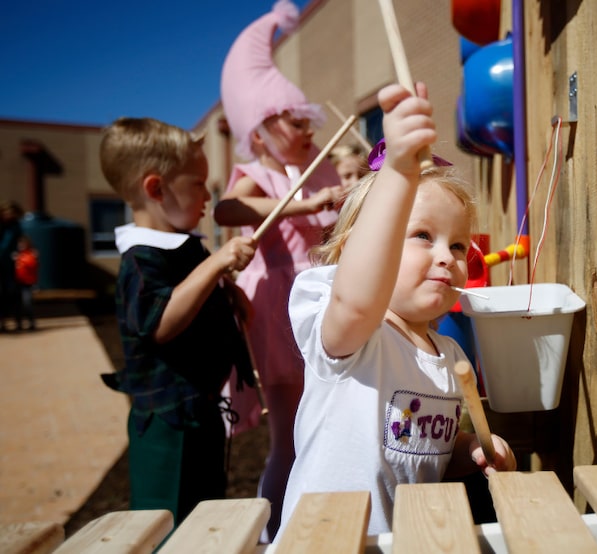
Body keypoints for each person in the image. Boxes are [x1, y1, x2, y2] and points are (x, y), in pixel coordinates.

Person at [274, 82, 516, 541]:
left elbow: (427, 449)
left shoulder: (445, 354)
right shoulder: (353, 335)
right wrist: (400, 173)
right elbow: (359, 297)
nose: (447, 256)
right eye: (423, 235)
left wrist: (474, 451)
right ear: (355, 251)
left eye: (458, 244)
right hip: (324, 543)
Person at [213, 0, 347, 540]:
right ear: (264, 128)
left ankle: (316, 523)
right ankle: (275, 533)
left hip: (320, 295)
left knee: (327, 423)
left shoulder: (316, 172)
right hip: (277, 307)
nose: (308, 132)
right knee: (288, 434)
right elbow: (226, 212)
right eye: (296, 123)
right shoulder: (251, 173)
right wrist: (300, 206)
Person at [98, 117, 258, 525]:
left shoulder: (182, 247)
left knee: (204, 518)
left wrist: (228, 292)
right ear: (155, 188)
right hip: (167, 423)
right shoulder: (141, 259)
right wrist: (218, 263)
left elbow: (196, 296)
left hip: (199, 412)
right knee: (165, 522)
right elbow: (161, 322)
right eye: (198, 183)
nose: (208, 194)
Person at [0, 201, 23, 332]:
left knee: (11, 292)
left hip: (10, 264)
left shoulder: (15, 226)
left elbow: (13, 244)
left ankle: (15, 320)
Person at [13, 234, 38, 331]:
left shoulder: (30, 255)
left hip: (27, 284)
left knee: (27, 303)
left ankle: (31, 322)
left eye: (23, 244)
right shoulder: (17, 255)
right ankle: (18, 323)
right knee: (17, 304)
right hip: (17, 283)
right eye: (20, 244)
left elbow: (32, 265)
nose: (21, 246)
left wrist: (20, 260)